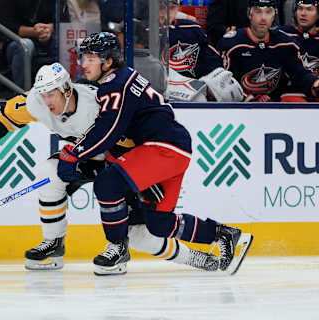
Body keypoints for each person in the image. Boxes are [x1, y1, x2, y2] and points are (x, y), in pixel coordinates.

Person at [0, 62, 220, 273]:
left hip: (121, 159)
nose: (46, 101)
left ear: (66, 89)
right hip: (84, 158)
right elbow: (7, 114)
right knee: (48, 174)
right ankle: (54, 243)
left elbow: (128, 141)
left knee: (142, 235)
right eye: (42, 94)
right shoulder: (38, 103)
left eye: (51, 94)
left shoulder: (95, 104)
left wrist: (140, 182)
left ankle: (199, 259)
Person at [57, 32, 253, 275]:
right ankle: (223, 234)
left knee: (108, 184)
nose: (83, 64)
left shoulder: (115, 83)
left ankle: (118, 248)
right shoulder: (119, 79)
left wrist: (74, 155)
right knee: (159, 223)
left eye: (90, 59)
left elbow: (108, 130)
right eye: (82, 58)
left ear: (108, 61)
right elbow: (119, 135)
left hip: (163, 148)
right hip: (172, 149)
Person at [218, 0, 319, 102]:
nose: (263, 18)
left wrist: (315, 85)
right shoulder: (232, 43)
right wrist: (248, 98)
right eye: (258, 12)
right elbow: (224, 81)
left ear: (274, 15)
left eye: (268, 12)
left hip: (275, 105)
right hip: (241, 106)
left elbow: (300, 74)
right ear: (249, 14)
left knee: (294, 99)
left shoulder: (286, 43)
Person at [159, 0, 245, 102]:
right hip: (162, 96)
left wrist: (211, 83)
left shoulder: (192, 28)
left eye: (172, 7)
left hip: (192, 96)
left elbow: (214, 63)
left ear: (178, 8)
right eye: (161, 7)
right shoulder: (143, 32)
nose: (166, 13)